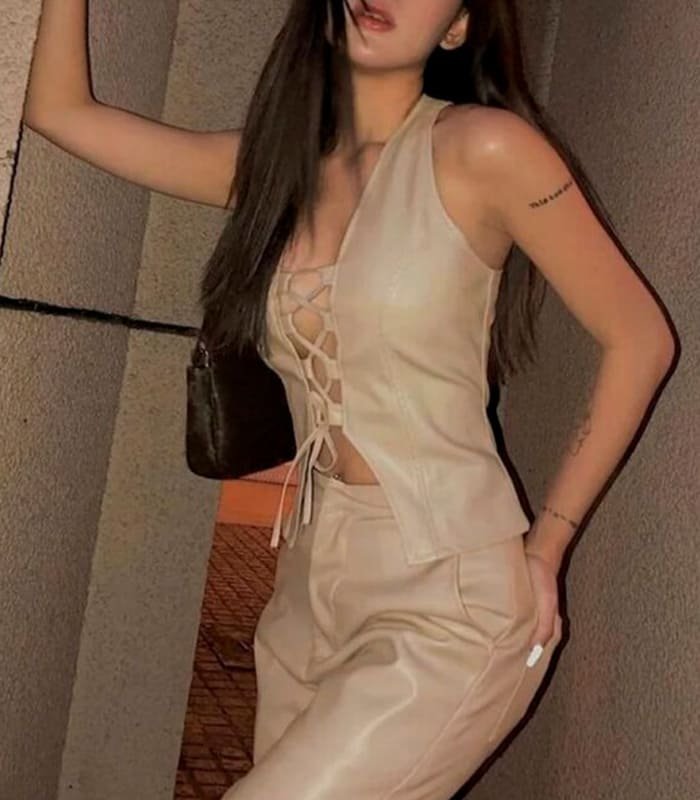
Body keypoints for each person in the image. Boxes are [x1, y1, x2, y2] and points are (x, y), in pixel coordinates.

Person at [23, 1, 675, 797]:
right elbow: (60, 112)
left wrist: (549, 545)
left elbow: (640, 339)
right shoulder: (277, 170)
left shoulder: (484, 149)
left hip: (446, 595)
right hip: (306, 582)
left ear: (459, 27)